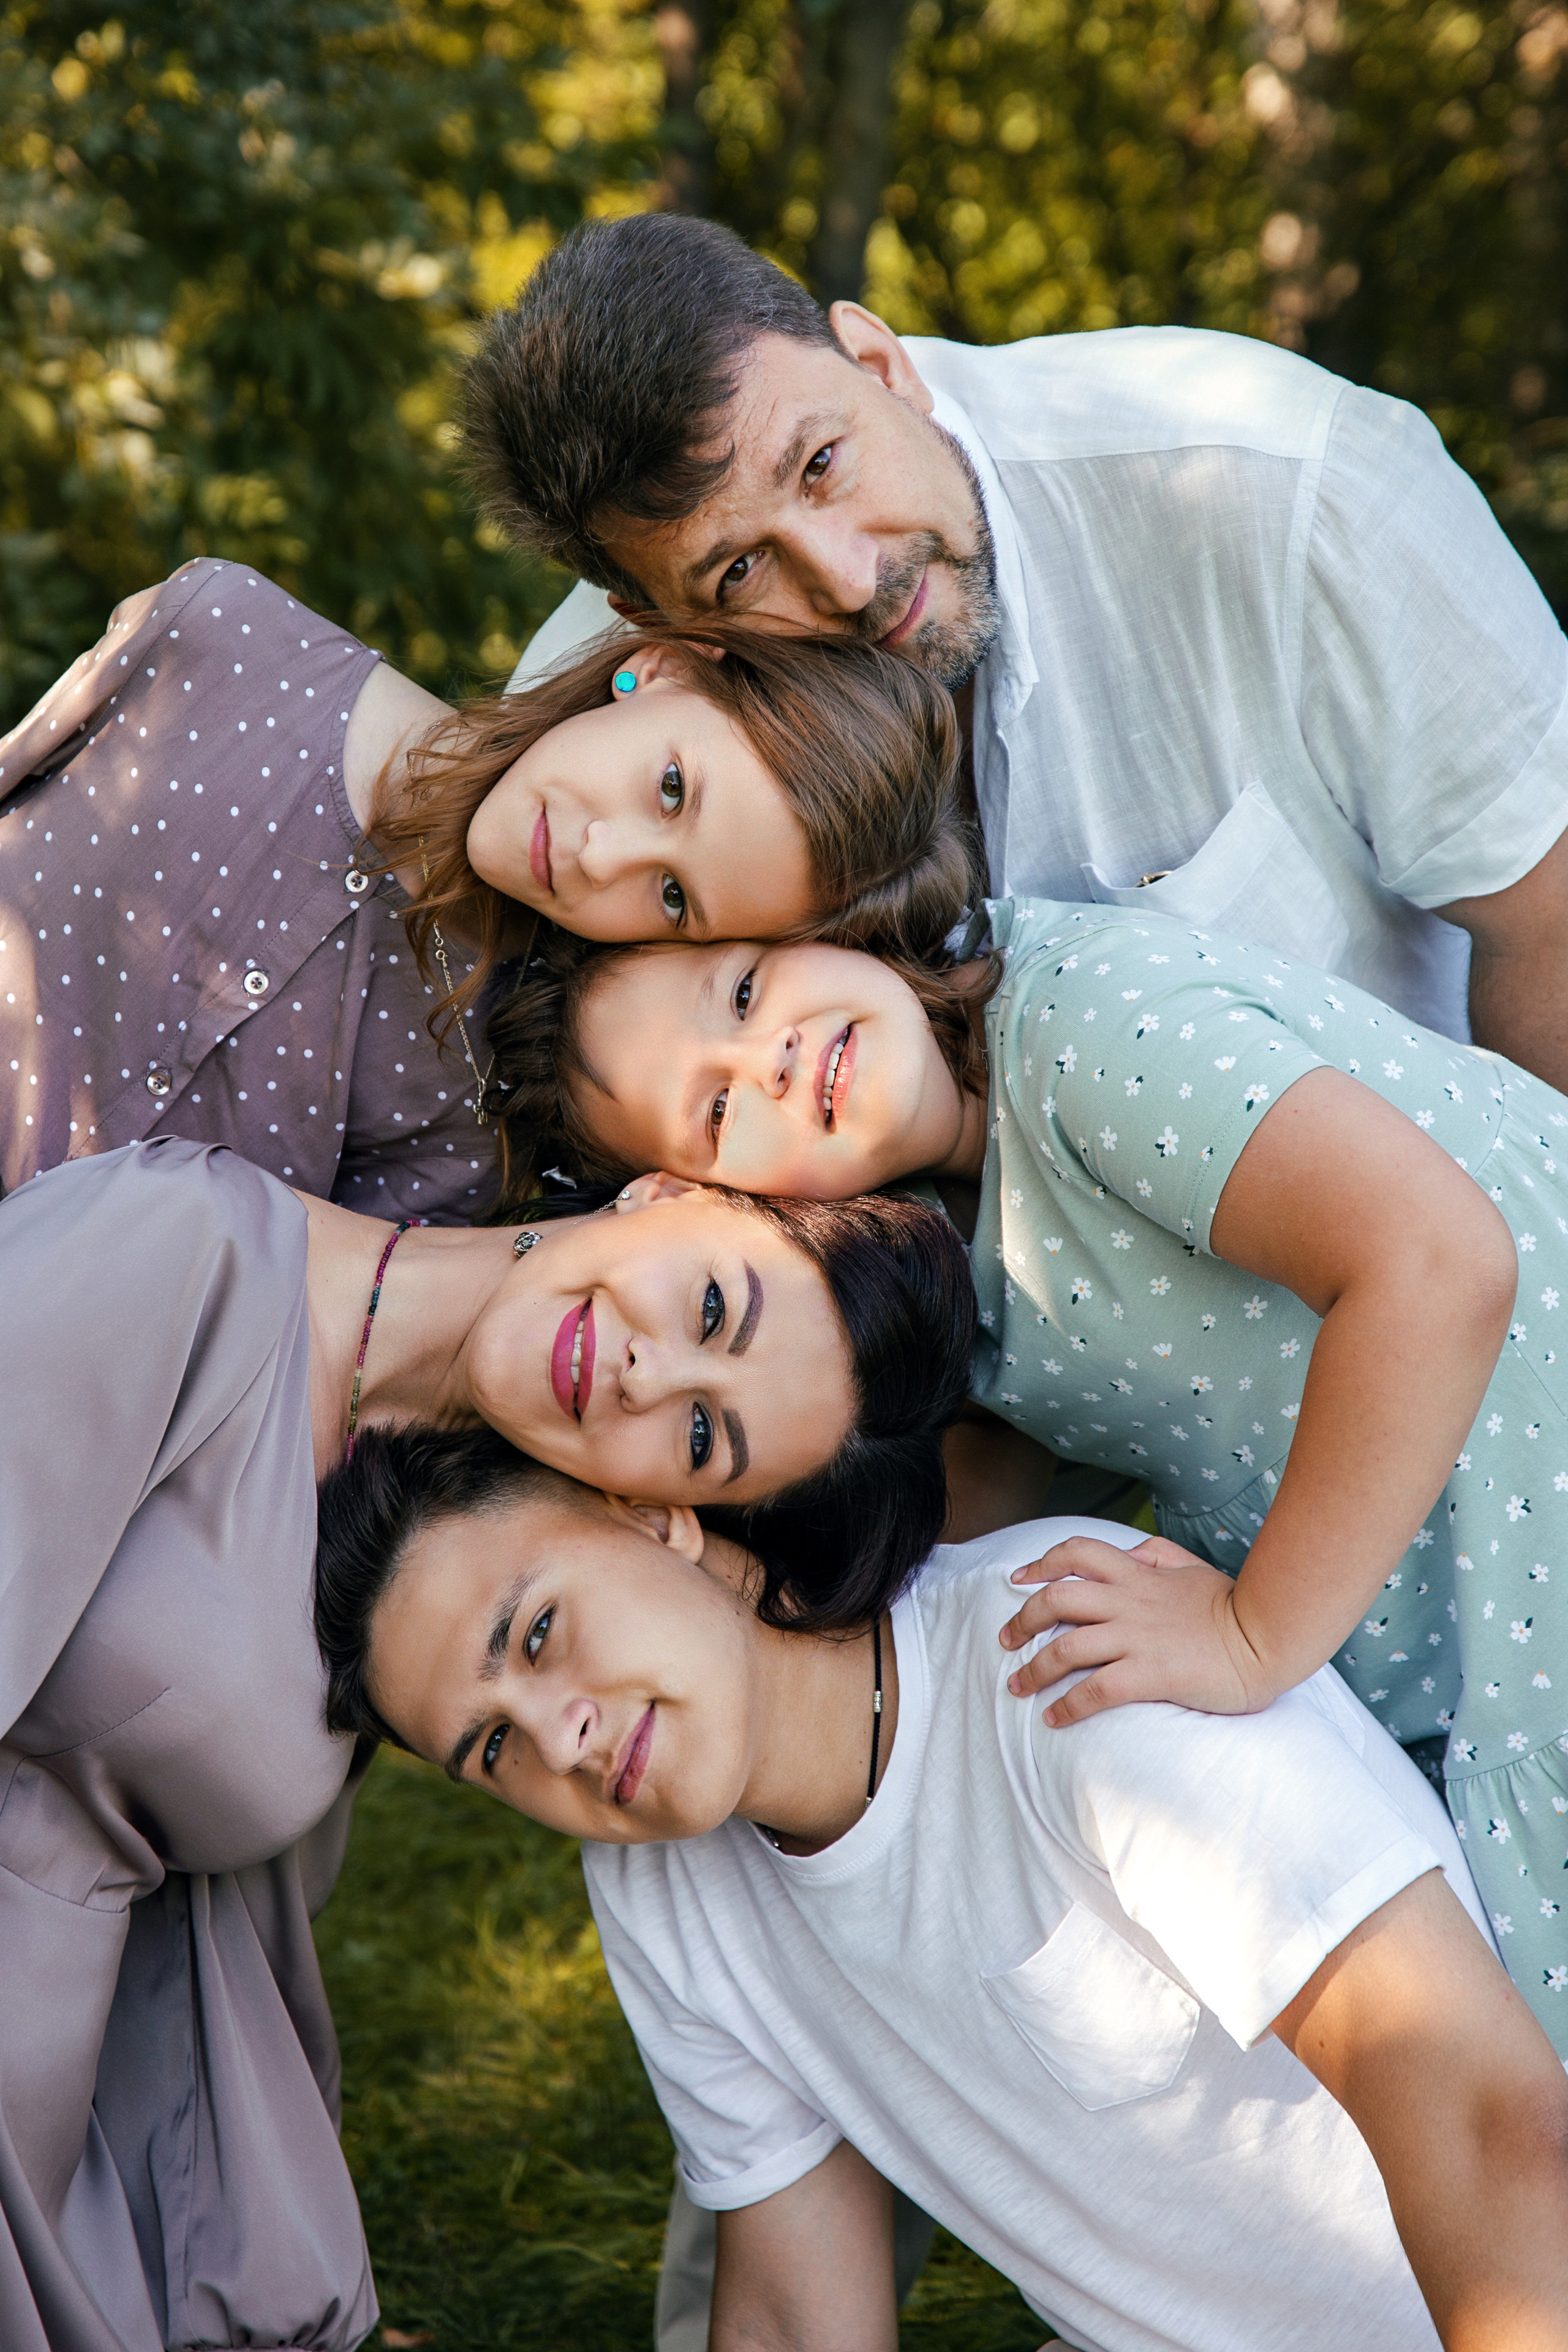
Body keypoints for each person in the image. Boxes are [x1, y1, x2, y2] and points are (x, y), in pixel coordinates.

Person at [485, 901, 1568, 2051]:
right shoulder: (955, 1269)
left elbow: (1437, 1263)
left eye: (746, 992)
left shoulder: (1080, 1028)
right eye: (714, 1110)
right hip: (1454, 1617)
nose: (773, 1057)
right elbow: (945, 1555)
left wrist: (1254, 1636)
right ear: (717, 1203)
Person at [0, 1128, 968, 2349]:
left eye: (700, 1437)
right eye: (712, 1306)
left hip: (84, 2113)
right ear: (676, 1189)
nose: (640, 1374)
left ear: (664, 1510)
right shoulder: (174, 1255)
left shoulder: (450, 1579)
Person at [314, 1422, 1568, 2352]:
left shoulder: (1062, 1658)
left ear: (647, 1518)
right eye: (492, 1747)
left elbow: (1488, 2126)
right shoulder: (658, 1890)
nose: (562, 1737)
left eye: (535, 1635)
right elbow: (797, 2319)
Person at [469, 211, 1568, 1093]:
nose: (850, 580)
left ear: (878, 361)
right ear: (655, 625)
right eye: (740, 573)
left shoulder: (1285, 488)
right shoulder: (596, 762)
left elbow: (1550, 926)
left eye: (821, 466)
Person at [0, 552, 974, 1215]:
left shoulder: (477, 1118)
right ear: (666, 668)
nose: (604, 855)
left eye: (673, 897)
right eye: (671, 788)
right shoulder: (222, 635)